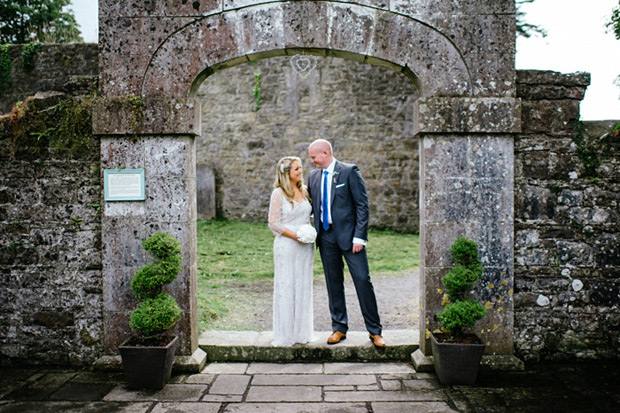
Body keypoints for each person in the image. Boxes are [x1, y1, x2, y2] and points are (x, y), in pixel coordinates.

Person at [307, 139, 386, 348]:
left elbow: (362, 205)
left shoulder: (349, 171)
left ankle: (375, 331)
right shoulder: (313, 176)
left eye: (314, 157)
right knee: (333, 283)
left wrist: (359, 237)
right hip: (325, 237)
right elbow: (310, 206)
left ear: (325, 153)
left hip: (351, 239)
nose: (312, 161)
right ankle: (339, 327)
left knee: (362, 280)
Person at [268, 156, 316, 346]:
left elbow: (308, 215)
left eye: (300, 168)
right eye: (296, 169)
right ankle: (286, 333)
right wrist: (296, 236)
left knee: (303, 286)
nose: (300, 171)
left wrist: (308, 234)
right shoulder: (278, 194)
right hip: (287, 246)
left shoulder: (304, 191)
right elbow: (273, 223)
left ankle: (302, 332)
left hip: (305, 248)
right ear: (286, 173)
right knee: (287, 286)